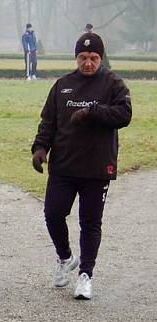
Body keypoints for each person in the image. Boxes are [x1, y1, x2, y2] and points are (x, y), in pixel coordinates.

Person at [31, 32, 131, 300]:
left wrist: (93, 111)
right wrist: (40, 148)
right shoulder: (63, 84)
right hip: (63, 165)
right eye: (83, 58)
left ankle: (86, 274)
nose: (88, 63)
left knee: (90, 222)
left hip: (97, 167)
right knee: (53, 213)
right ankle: (65, 258)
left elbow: (125, 114)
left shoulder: (113, 83)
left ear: (101, 58)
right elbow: (48, 121)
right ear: (76, 57)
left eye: (94, 58)